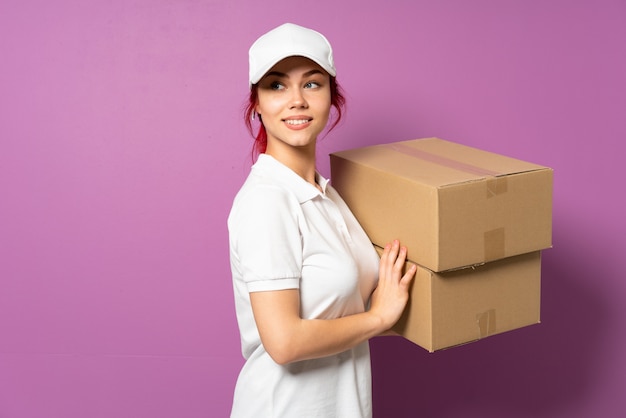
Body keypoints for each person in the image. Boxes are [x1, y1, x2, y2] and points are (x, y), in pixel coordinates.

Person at [228, 23, 416, 418]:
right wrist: (379, 317)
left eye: (312, 84)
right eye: (276, 86)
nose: (296, 100)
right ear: (256, 103)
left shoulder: (327, 196)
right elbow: (284, 342)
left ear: (332, 97)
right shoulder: (268, 200)